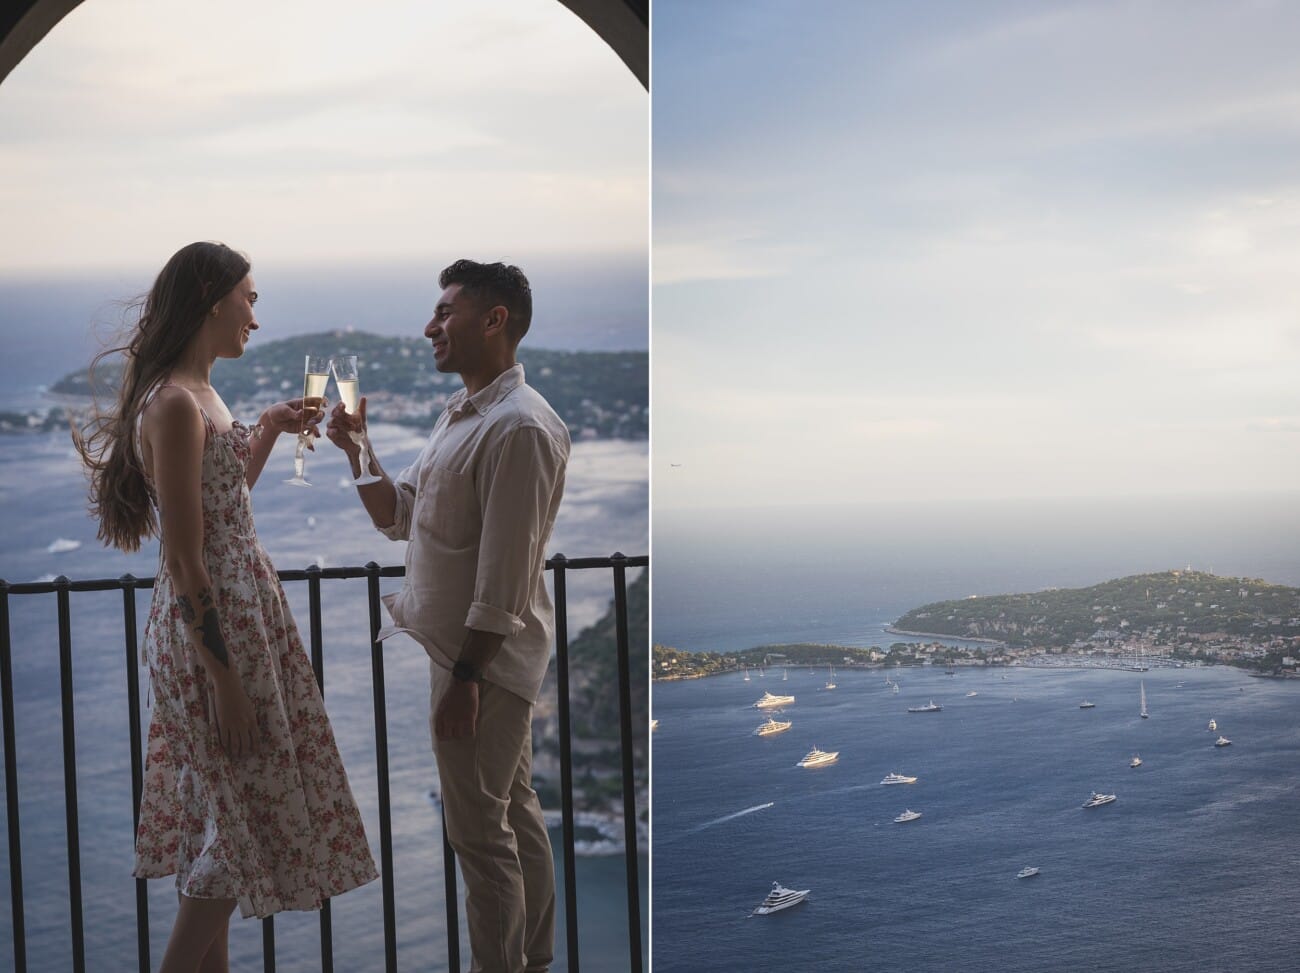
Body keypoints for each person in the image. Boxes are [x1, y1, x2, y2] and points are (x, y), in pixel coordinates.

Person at [74, 241, 377, 973]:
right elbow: (185, 556)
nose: (255, 317)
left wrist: (267, 426)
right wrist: (225, 682)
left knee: (228, 818)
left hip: (244, 617)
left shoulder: (201, 392)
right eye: (250, 299)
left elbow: (224, 502)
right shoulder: (176, 403)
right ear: (213, 299)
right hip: (216, 637)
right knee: (240, 829)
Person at [325, 259, 570, 973]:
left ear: (494, 320)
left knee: (478, 834)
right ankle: (534, 960)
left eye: (444, 311)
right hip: (466, 657)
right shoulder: (464, 416)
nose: (429, 326)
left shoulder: (520, 427)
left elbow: (504, 577)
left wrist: (465, 678)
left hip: (481, 661)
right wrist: (358, 448)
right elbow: (399, 518)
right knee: (513, 812)